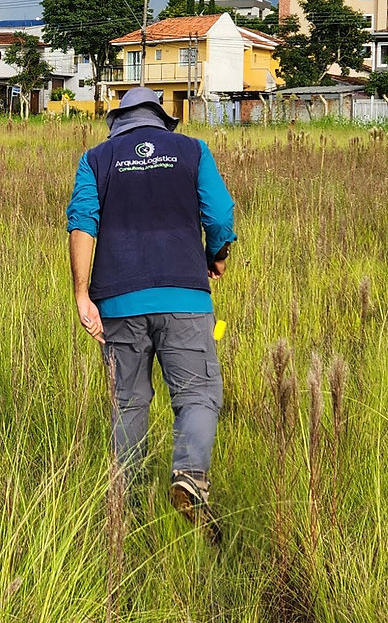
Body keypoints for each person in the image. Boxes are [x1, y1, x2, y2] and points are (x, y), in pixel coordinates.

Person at [67, 87, 235, 544]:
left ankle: (129, 507)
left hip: (117, 301)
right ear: (162, 118)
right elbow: (220, 214)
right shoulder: (193, 151)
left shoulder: (96, 158)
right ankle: (190, 476)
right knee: (198, 393)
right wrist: (216, 254)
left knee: (128, 403)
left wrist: (82, 294)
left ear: (117, 119)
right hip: (184, 294)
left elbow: (82, 221)